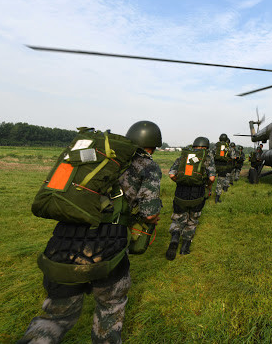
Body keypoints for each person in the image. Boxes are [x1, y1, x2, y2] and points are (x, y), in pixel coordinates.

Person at [18, 121, 163, 344]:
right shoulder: (147, 166)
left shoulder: (100, 159)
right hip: (107, 248)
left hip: (62, 243)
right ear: (153, 145)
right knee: (110, 308)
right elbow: (149, 213)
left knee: (55, 318)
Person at [165, 136, 216, 260]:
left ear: (194, 146)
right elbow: (212, 178)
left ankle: (175, 237)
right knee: (192, 221)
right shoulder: (207, 158)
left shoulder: (183, 156)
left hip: (180, 192)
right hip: (197, 193)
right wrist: (207, 187)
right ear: (206, 147)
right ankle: (184, 248)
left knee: (178, 219)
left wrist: (181, 182)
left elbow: (171, 174)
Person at [212, 133, 233, 203]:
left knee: (211, 179)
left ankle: (208, 192)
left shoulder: (216, 145)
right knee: (220, 183)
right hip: (223, 166)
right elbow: (232, 156)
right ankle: (217, 198)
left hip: (215, 165)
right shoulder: (228, 147)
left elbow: (211, 154)